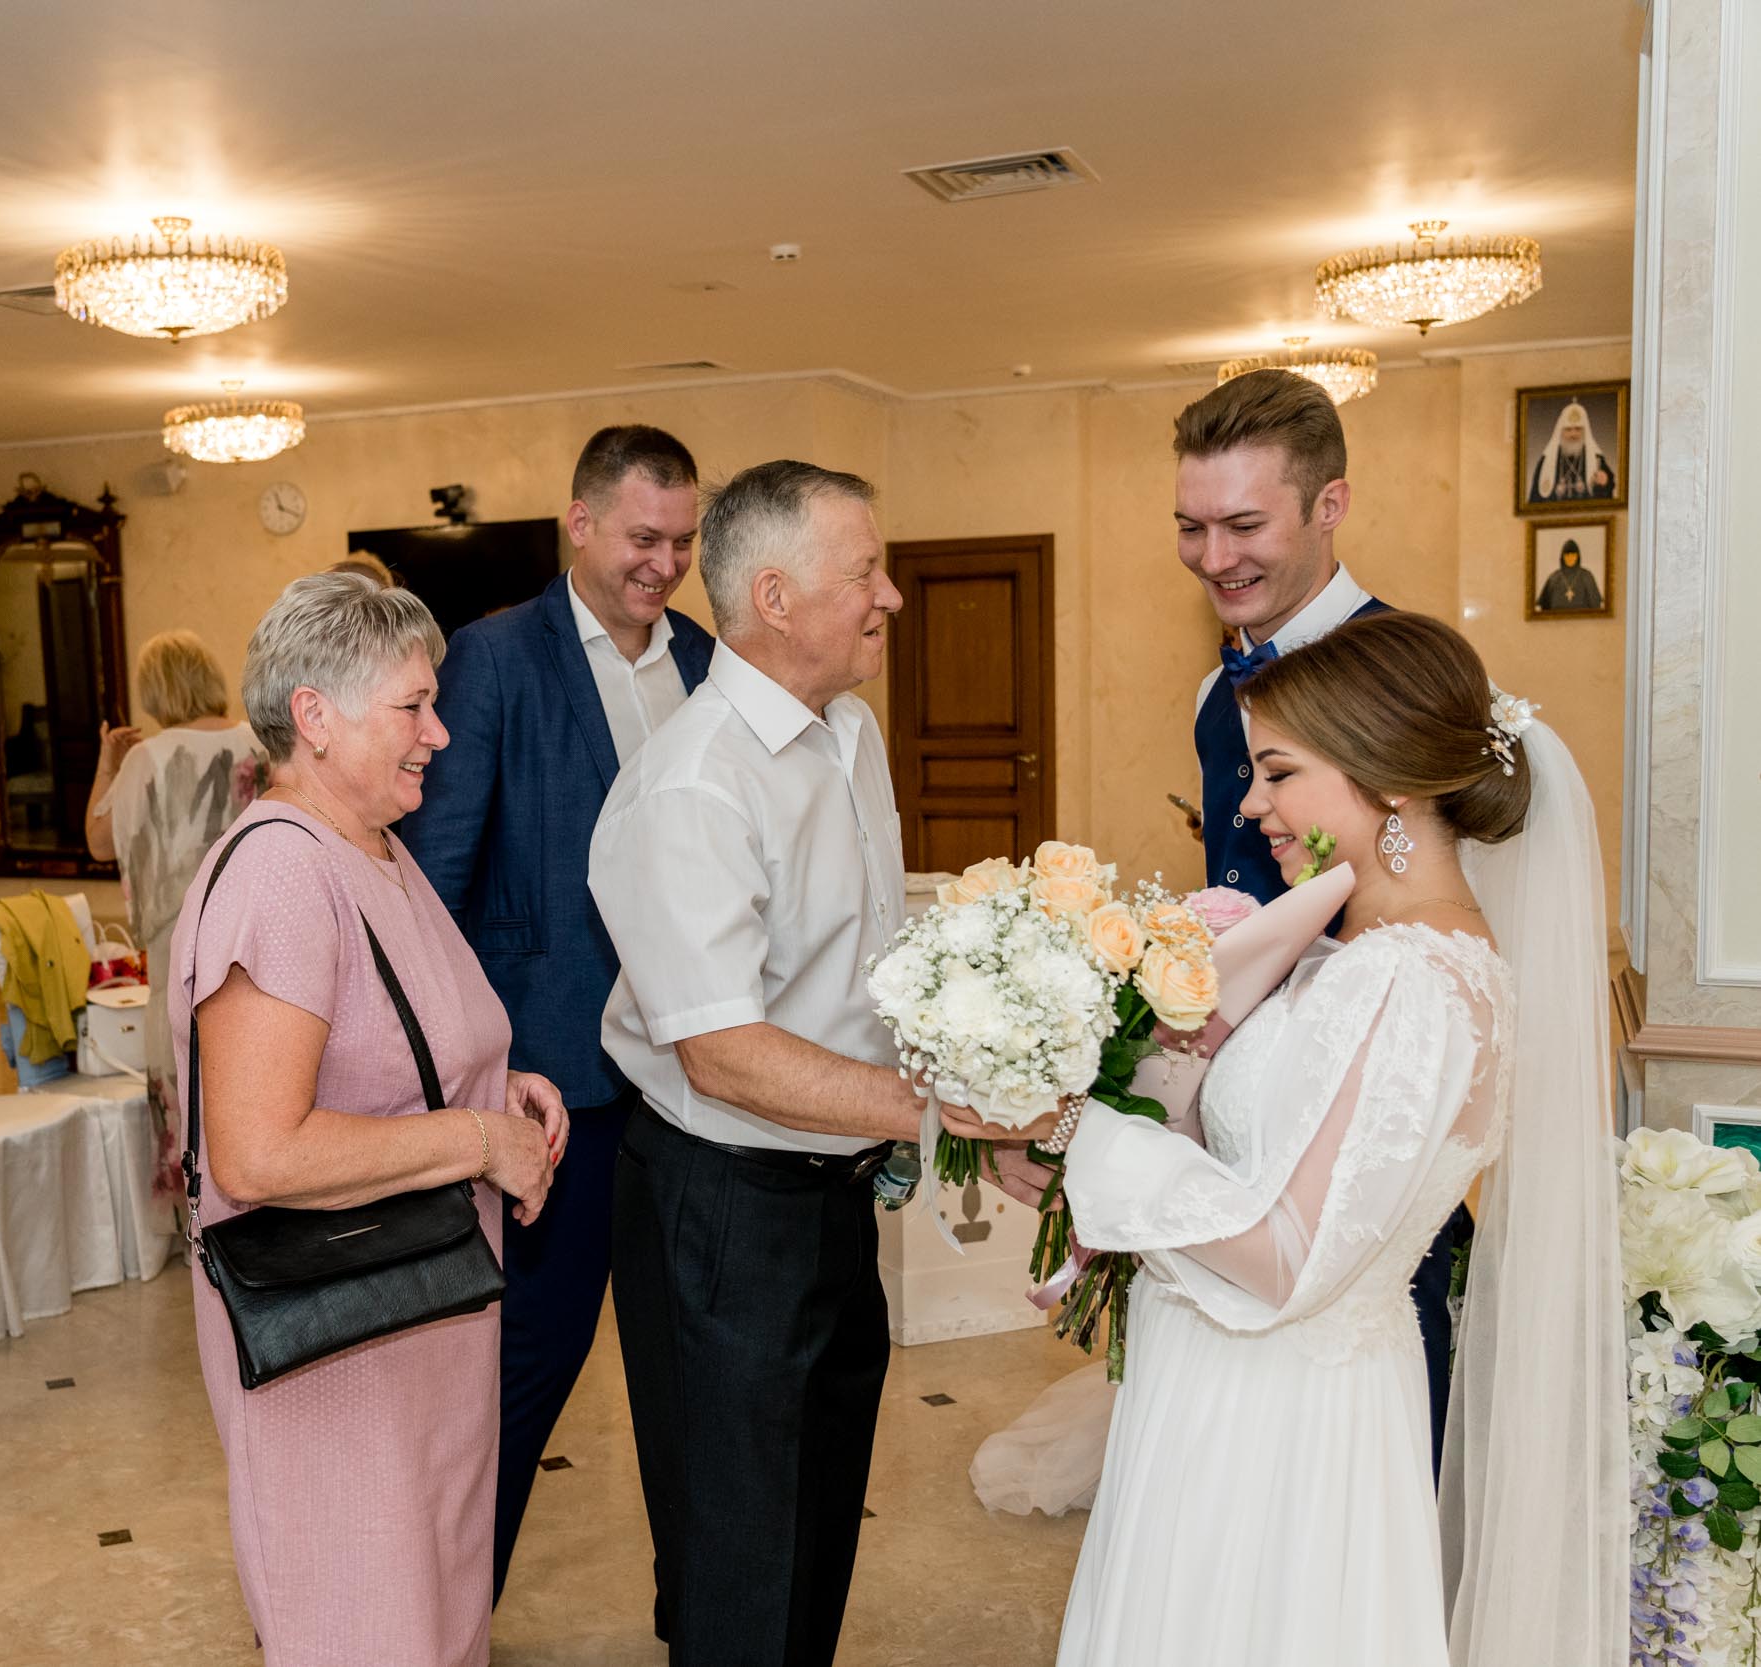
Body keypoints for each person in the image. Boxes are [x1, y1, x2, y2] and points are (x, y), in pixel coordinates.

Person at [1015, 612, 1623, 1666]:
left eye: (1279, 772)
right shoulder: (1355, 953)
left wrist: (1078, 1131)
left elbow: (1290, 1255)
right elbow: (1257, 1167)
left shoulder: (1413, 982)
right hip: (1224, 1382)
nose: (1251, 805)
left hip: (1279, 1419)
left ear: (1386, 781)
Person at [169, 572, 567, 1667]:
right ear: (314, 714)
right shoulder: (282, 874)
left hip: (417, 1318)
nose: (439, 733)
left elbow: (395, 1049)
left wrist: (497, 1085)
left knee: (430, 1611)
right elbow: (258, 1151)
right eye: (413, 706)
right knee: (363, 1623)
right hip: (338, 1350)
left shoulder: (373, 847)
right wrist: (477, 1139)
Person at [588, 459, 918, 1664]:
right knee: (735, 1557)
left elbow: (859, 965)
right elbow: (724, 1054)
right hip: (720, 1207)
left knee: (817, 1518)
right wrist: (945, 1111)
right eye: (865, 570)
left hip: (832, 1189)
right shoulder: (692, 781)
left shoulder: (851, 733)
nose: (890, 595)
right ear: (774, 597)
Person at [395, 422, 715, 1597]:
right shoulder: (491, 657)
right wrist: (478, 1075)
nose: (664, 563)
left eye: (682, 540)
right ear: (579, 523)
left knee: (686, 1365)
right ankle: (449, 1615)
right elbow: (435, 880)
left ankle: (696, 1606)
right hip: (553, 1079)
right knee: (527, 1360)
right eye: (642, 536)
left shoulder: (705, 658)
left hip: (692, 1075)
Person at [1174, 367, 1467, 1468]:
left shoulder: (1414, 683)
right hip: (1252, 1095)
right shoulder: (1216, 695)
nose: (1214, 556)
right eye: (1191, 526)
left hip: (1367, 1093)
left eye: (1244, 524)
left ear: (1328, 504)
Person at [85, 631, 264, 1145]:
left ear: (156, 690)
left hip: (180, 937)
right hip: (254, 926)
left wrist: (107, 763)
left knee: (186, 1066)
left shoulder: (148, 757)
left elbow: (99, 842)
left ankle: (192, 1181)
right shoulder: (259, 743)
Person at [1526, 398, 1617, 504]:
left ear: (1584, 431)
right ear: (1561, 432)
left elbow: (1608, 491)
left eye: (1578, 429)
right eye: (1568, 429)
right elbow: (1535, 497)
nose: (1573, 434)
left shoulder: (1597, 459)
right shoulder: (1546, 460)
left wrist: (1605, 482)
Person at [1536, 537, 1606, 612]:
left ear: (1577, 556)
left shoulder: (1586, 576)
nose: (1570, 558)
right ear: (1562, 557)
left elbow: (1595, 605)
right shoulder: (1553, 578)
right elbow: (1544, 607)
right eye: (1567, 555)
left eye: (1573, 555)